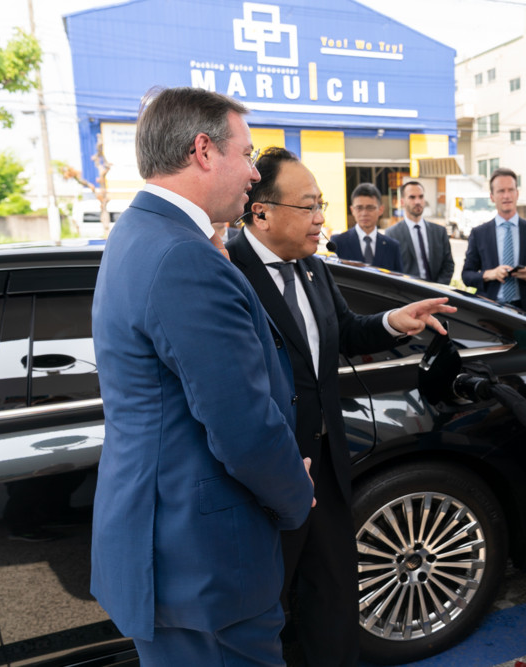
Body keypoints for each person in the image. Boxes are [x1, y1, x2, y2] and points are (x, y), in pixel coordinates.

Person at [90, 86, 316, 664]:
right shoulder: (182, 255)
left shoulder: (140, 233)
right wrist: (296, 494)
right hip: (205, 563)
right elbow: (242, 424)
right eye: (246, 154)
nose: (253, 173)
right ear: (203, 151)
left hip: (167, 547)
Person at [228, 147, 454, 666]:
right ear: (261, 212)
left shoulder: (313, 268)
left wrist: (395, 322)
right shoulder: (226, 271)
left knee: (332, 593)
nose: (320, 218)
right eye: (308, 206)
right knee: (263, 607)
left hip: (327, 465)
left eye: (321, 204)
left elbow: (345, 332)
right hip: (267, 474)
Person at [462, 167, 526, 311]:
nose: (507, 196)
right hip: (490, 308)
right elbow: (466, 275)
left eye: (511, 190)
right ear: (492, 197)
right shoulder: (479, 233)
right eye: (501, 191)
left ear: (517, 193)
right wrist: (489, 274)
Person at [383, 181, 455, 284]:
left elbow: (448, 265)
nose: (418, 201)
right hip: (408, 291)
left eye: (421, 197)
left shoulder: (439, 232)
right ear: (402, 202)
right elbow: (390, 271)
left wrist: (438, 288)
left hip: (437, 290)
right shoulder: (392, 234)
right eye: (412, 197)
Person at [330, 183, 403, 271]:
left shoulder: (392, 246)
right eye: (359, 208)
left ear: (381, 210)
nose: (364, 213)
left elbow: (398, 277)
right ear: (352, 210)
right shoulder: (338, 243)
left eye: (370, 208)